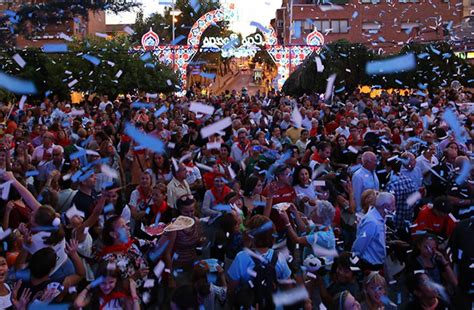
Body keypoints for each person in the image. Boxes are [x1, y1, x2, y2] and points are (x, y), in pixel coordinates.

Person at [352, 192, 395, 271]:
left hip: (377, 263)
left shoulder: (380, 218)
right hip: (370, 266)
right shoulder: (371, 222)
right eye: (392, 205)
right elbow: (360, 244)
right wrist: (355, 261)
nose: (394, 208)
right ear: (385, 206)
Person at [74, 263, 140, 310]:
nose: (107, 287)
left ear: (116, 281)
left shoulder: (121, 298)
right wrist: (90, 285)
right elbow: (77, 304)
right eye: (103, 283)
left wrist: (133, 293)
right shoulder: (94, 295)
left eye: (111, 282)